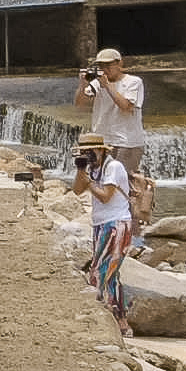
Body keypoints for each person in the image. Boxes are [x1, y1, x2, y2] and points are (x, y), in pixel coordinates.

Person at [72, 133, 134, 336]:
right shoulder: (93, 169)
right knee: (111, 275)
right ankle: (121, 321)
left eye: (89, 152)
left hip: (117, 224)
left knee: (100, 273)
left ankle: (104, 319)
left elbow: (106, 196)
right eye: (83, 153)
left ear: (100, 150)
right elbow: (77, 191)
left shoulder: (113, 167)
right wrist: (81, 170)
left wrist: (89, 182)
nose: (86, 156)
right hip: (101, 225)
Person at [74, 48, 145, 177]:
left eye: (108, 65)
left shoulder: (133, 82)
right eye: (101, 66)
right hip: (103, 142)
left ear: (119, 64)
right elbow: (80, 104)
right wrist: (83, 84)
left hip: (127, 143)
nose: (104, 69)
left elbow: (126, 106)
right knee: (99, 180)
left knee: (123, 183)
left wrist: (107, 86)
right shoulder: (97, 83)